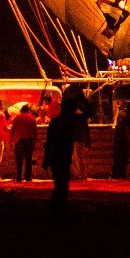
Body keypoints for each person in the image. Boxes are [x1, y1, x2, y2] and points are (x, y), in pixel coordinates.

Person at [47, 86, 88, 214]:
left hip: (59, 153)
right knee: (63, 184)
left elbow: (49, 140)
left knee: (59, 183)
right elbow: (89, 113)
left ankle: (57, 208)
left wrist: (46, 158)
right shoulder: (74, 119)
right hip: (65, 151)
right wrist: (82, 98)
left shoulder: (56, 121)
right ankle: (62, 207)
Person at [11, 104, 38, 182]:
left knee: (19, 160)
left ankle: (19, 177)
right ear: (28, 110)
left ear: (21, 110)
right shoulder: (32, 118)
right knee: (28, 160)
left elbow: (13, 130)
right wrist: (35, 142)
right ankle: (28, 177)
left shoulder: (17, 118)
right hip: (29, 141)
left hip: (19, 141)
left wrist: (11, 141)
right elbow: (35, 132)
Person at [111, 103, 130, 180]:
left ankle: (114, 173)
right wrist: (129, 140)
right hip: (123, 139)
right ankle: (121, 173)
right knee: (124, 156)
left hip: (117, 138)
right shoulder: (128, 117)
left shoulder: (120, 114)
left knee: (117, 156)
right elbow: (127, 130)